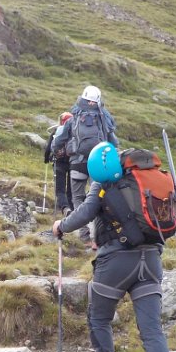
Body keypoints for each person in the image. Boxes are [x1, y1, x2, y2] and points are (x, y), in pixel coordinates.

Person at [51, 147, 176, 352]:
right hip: (151, 260)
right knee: (152, 329)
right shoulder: (152, 179)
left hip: (116, 262)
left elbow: (86, 212)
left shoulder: (105, 182)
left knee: (99, 317)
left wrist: (61, 226)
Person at [51, 85, 119, 244]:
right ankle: (97, 237)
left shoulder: (73, 117)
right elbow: (114, 142)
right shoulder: (103, 117)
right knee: (98, 197)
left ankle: (84, 235)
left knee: (78, 198)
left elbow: (59, 139)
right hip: (99, 164)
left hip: (77, 162)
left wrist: (55, 151)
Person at [43, 111, 73, 214]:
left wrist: (46, 159)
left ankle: (65, 208)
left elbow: (48, 148)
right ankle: (72, 211)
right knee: (71, 190)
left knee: (60, 190)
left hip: (59, 163)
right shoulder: (76, 132)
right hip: (73, 163)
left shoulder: (57, 131)